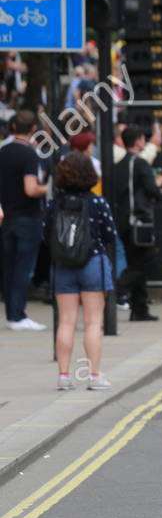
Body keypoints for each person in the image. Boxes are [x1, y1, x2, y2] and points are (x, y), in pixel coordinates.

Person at [45, 152, 116, 390]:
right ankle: (94, 376)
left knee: (65, 322)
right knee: (93, 322)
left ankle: (63, 376)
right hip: (93, 263)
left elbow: (46, 236)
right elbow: (109, 235)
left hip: (63, 265)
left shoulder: (53, 203)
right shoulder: (97, 202)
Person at [111, 125, 162, 322]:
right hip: (139, 221)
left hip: (124, 222)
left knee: (136, 261)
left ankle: (139, 309)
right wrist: (159, 189)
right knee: (145, 263)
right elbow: (152, 190)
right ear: (138, 141)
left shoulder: (118, 165)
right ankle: (117, 290)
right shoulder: (141, 163)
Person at [0, 110, 50, 330]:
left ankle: (11, 313)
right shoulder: (29, 155)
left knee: (9, 267)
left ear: (12, 127)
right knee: (23, 268)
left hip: (7, 216)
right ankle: (18, 315)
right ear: (33, 130)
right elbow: (31, 189)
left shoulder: (3, 151)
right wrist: (47, 187)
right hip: (27, 217)